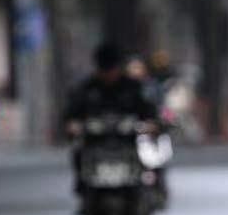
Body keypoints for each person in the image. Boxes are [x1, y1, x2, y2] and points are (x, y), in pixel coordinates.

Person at [63, 43, 158, 193]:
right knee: (78, 151)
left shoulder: (132, 87)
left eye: (111, 69)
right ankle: (83, 183)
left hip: (127, 138)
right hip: (96, 139)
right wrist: (72, 124)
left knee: (148, 153)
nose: (109, 74)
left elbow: (147, 109)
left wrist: (150, 123)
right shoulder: (88, 88)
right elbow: (72, 111)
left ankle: (146, 185)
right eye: (105, 69)